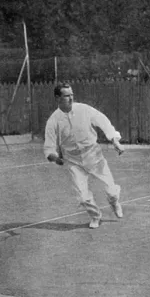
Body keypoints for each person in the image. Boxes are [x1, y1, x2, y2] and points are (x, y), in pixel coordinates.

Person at [44, 82, 125, 229]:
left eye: (72, 95)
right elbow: (49, 148)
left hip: (94, 156)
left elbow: (103, 122)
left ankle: (114, 202)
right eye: (66, 95)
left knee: (112, 191)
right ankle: (95, 216)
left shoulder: (84, 109)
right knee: (82, 196)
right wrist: (56, 159)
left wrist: (115, 141)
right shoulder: (53, 120)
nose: (70, 98)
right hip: (73, 161)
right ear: (57, 98)